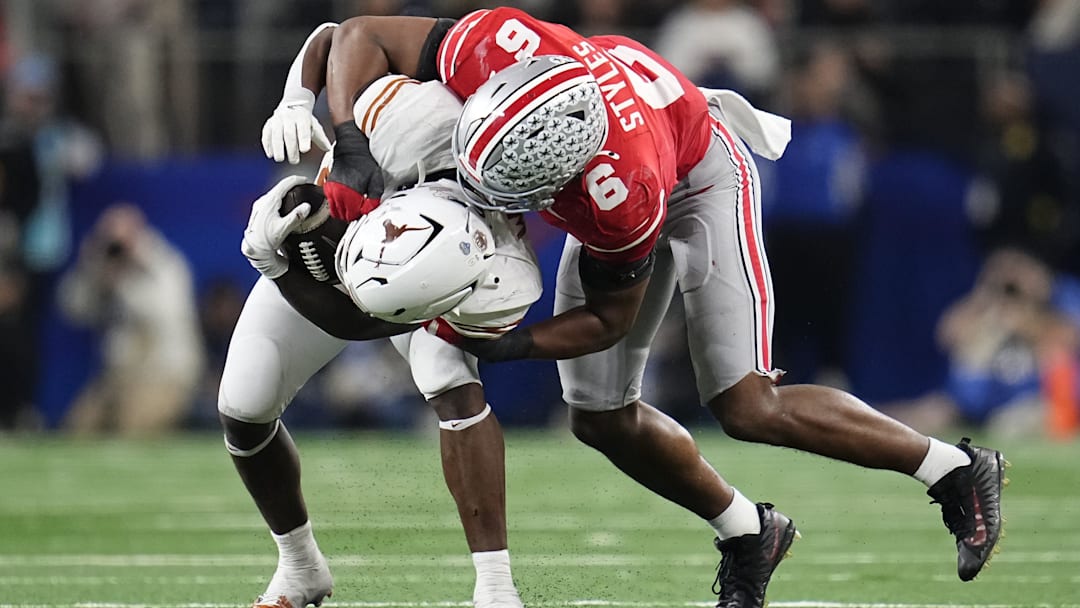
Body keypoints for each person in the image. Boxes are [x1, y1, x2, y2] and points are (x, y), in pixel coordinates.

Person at [288, 8, 1007, 607]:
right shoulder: (499, 42)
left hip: (698, 177)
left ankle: (951, 468)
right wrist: (346, 132)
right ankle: (748, 530)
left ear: (562, 174)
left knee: (747, 404)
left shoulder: (616, 196)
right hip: (630, 139)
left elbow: (611, 319)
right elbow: (359, 34)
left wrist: (517, 345)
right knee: (599, 418)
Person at [232, 56, 540, 608]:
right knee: (243, 400)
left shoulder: (494, 257)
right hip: (357, 231)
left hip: (437, 271)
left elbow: (358, 320)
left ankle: (496, 587)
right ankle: (300, 565)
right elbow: (338, 38)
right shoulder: (397, 119)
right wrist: (297, 98)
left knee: (450, 380)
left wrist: (274, 268)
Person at [57, 203, 205, 435]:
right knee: (78, 430)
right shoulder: (105, 268)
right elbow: (73, 311)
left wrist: (126, 280)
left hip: (164, 374)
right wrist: (92, 270)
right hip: (117, 375)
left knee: (133, 430)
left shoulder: (165, 265)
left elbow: (164, 317)